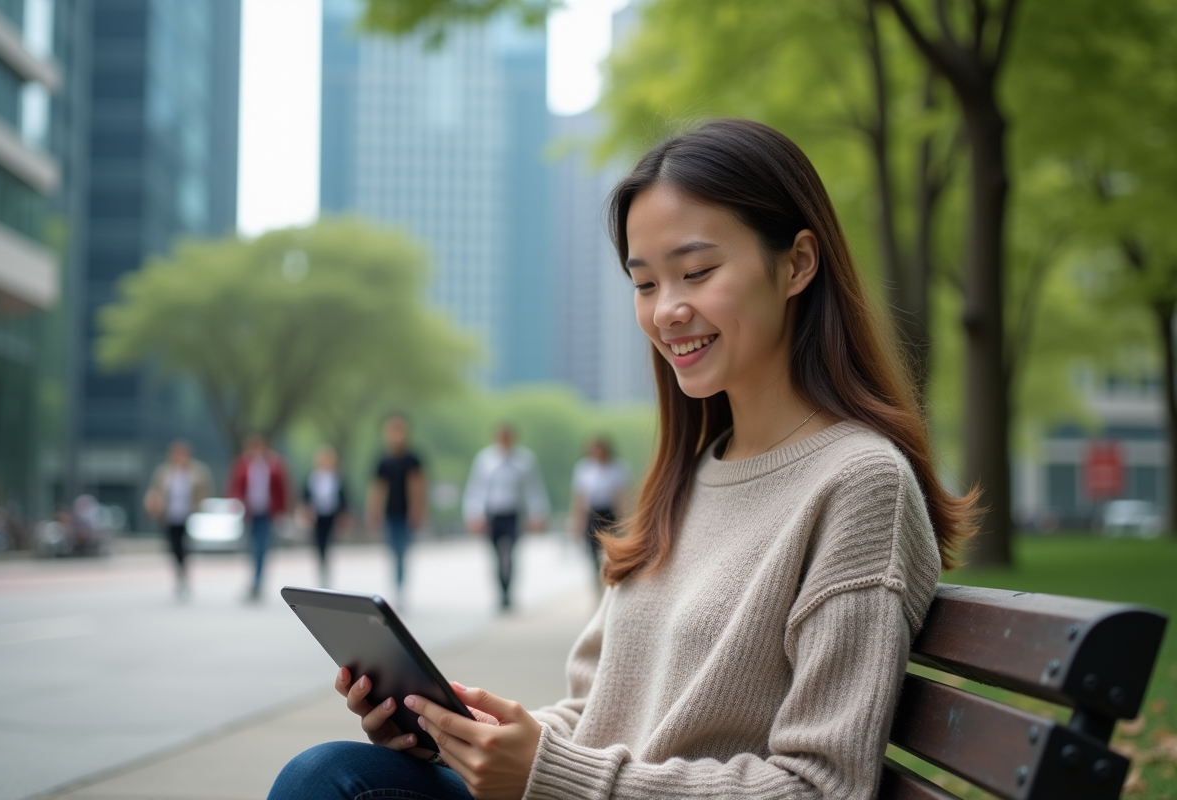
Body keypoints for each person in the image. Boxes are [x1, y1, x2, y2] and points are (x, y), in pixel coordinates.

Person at [268, 118, 977, 800]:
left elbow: (823, 787)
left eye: (696, 271)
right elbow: (595, 717)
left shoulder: (859, 485)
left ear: (796, 264)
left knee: (325, 783)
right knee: (331, 774)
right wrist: (471, 736)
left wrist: (551, 777)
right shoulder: (693, 473)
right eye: (644, 283)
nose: (666, 310)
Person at [461, 425, 550, 611]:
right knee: (496, 555)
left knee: (509, 553)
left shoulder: (524, 461)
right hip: (492, 513)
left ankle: (509, 591)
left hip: (513, 513)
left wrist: (538, 513)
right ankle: (500, 591)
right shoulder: (485, 460)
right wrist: (473, 514)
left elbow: (533, 489)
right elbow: (476, 489)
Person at [367, 415, 427, 604]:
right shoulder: (383, 460)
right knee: (392, 550)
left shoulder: (412, 459)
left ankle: (400, 587)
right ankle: (395, 585)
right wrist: (374, 510)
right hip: (390, 512)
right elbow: (377, 487)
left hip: (406, 513)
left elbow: (418, 486)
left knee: (403, 550)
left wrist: (418, 510)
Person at [145, 439, 213, 599]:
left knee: (185, 547)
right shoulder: (164, 473)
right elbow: (155, 492)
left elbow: (205, 492)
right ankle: (180, 573)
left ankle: (184, 574)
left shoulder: (197, 471)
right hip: (170, 516)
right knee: (174, 547)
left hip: (189, 516)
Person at [227, 434, 289, 601]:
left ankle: (258, 581)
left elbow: (282, 488)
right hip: (250, 512)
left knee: (262, 546)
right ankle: (254, 579)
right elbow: (235, 486)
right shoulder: (243, 464)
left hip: (267, 512)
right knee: (252, 546)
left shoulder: (273, 464)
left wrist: (282, 511)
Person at [568, 437, 629, 582]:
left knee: (610, 549)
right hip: (592, 514)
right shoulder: (583, 469)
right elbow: (579, 498)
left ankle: (610, 576)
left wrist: (625, 521)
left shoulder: (617, 468)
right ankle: (598, 579)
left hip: (609, 514)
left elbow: (621, 497)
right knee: (593, 550)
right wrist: (577, 523)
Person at [301, 445, 349, 588]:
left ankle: (327, 569)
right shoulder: (313, 477)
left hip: (331, 516)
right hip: (317, 516)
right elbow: (306, 497)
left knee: (329, 543)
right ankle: (321, 569)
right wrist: (306, 511)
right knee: (319, 544)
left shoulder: (337, 477)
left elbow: (343, 498)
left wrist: (343, 515)